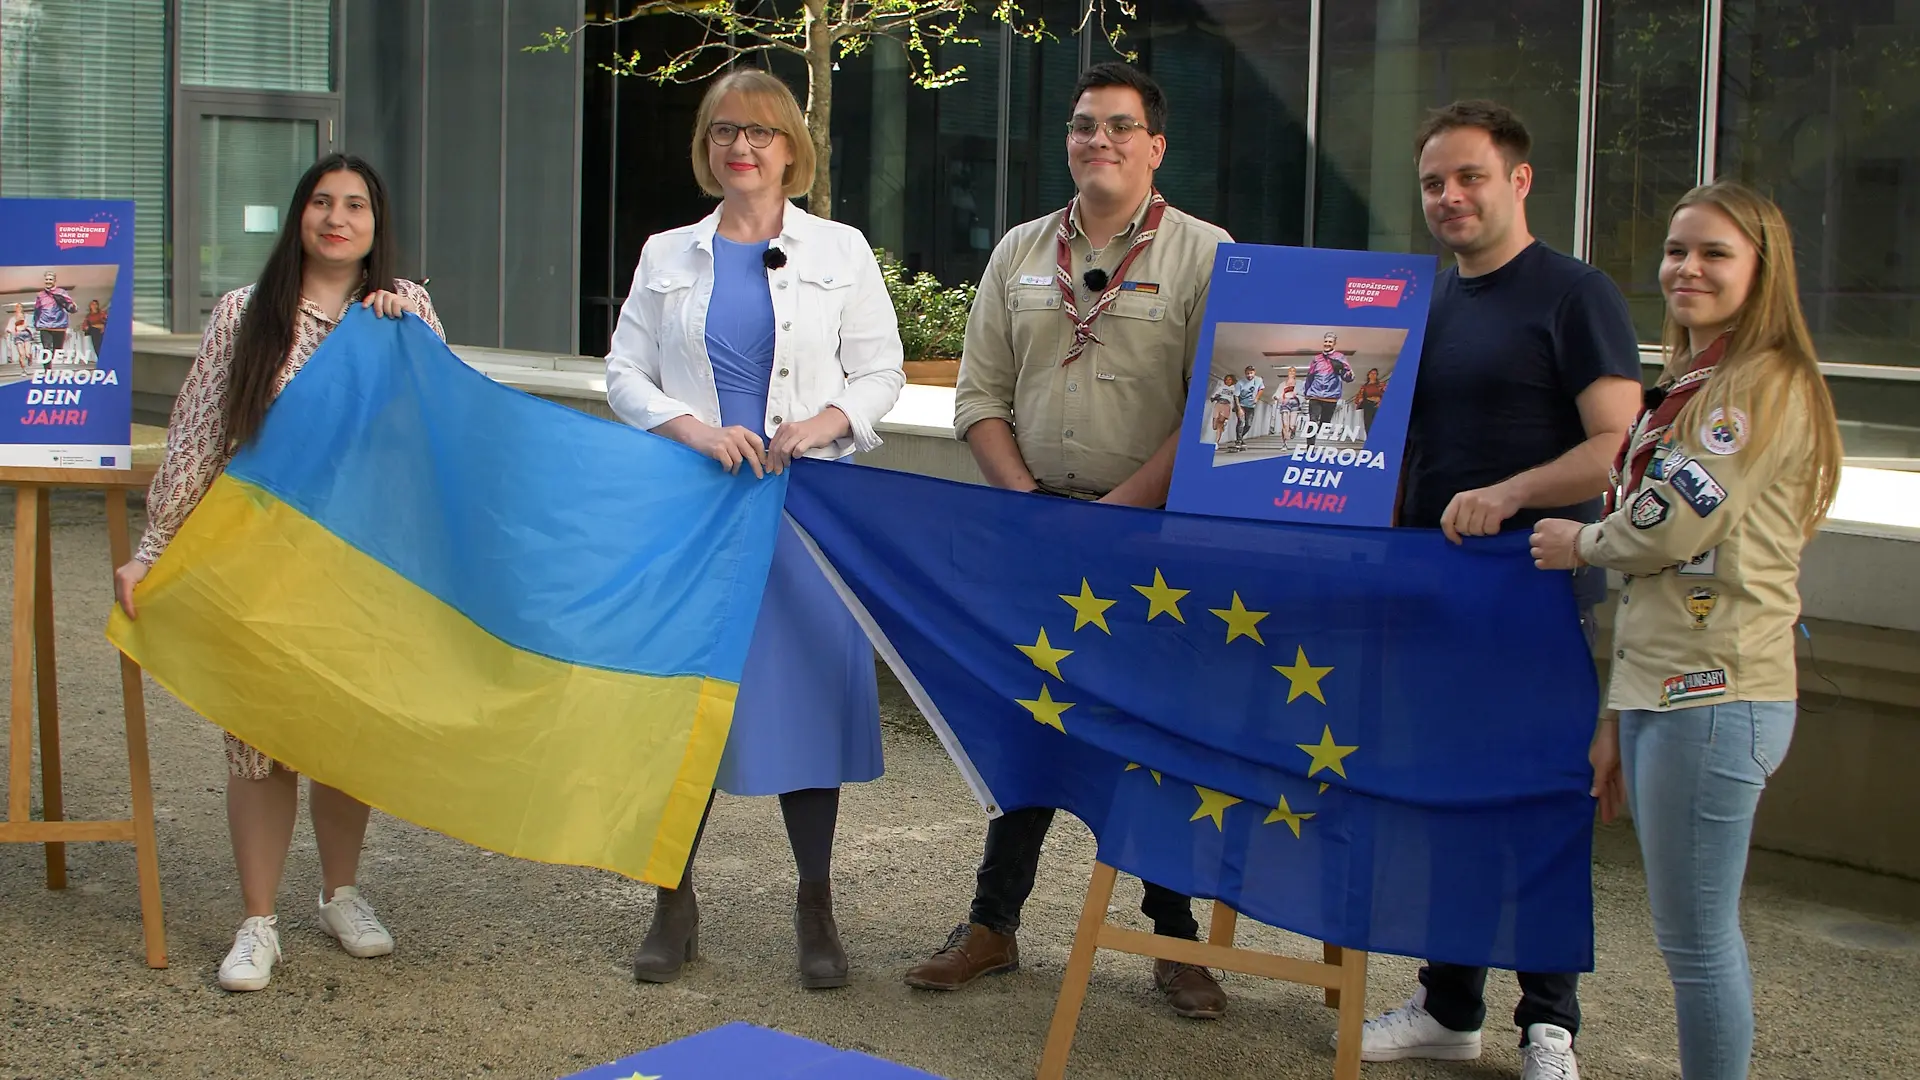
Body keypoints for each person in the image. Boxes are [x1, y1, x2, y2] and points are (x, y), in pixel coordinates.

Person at [908, 61, 1233, 1020]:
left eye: (1120, 127)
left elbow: (1223, 407)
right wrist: (1028, 507)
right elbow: (979, 396)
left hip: (1151, 546)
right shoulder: (1017, 251)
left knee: (1150, 736)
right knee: (1028, 727)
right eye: (1085, 125)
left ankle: (1174, 943)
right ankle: (992, 925)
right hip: (1037, 532)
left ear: (1156, 145)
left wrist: (1122, 510)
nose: (1100, 140)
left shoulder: (1209, 255)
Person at [1347, 100, 1642, 1080]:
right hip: (1434, 595)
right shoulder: (1425, 305)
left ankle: (1550, 1024)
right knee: (1444, 805)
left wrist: (1510, 493)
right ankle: (1449, 1005)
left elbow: (1616, 451)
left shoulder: (1575, 294)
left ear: (1519, 181)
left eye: (1469, 177)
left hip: (1537, 592)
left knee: (1535, 807)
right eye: (1433, 183)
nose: (1449, 197)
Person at [1528, 181, 1840, 1080]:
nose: (1686, 269)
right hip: (1676, 686)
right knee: (1688, 939)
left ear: (1761, 270)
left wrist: (1578, 538)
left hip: (1718, 695)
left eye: (1714, 254)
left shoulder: (1754, 387)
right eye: (1675, 250)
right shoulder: (1702, 379)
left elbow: (1670, 527)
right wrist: (1620, 714)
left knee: (1699, 943)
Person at [603, 68, 905, 991]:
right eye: (726, 131)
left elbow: (882, 373)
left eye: (762, 133)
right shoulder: (666, 253)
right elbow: (621, 372)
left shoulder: (842, 249)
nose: (743, 146)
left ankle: (815, 905)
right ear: (708, 147)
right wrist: (688, 426)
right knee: (682, 701)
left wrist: (825, 423)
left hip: (804, 511)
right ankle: (673, 898)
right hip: (692, 510)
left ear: (791, 150)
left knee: (805, 700)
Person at [112, 153, 440, 993]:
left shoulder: (403, 313)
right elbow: (196, 436)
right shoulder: (244, 315)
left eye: (356, 204)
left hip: (362, 563)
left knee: (343, 738)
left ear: (377, 223)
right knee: (258, 744)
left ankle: (341, 894)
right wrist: (153, 546)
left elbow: (440, 419)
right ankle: (257, 920)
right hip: (261, 563)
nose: (337, 217)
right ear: (300, 215)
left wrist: (410, 328)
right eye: (322, 202)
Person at [1303, 332, 1352, 444]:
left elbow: (1348, 376)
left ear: (1334, 343)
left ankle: (1315, 435)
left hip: (1331, 396)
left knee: (1325, 423)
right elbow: (1310, 376)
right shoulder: (1317, 358)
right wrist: (1306, 391)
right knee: (1312, 422)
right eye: (1326, 341)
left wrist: (1344, 373)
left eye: (1330, 342)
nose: (1327, 343)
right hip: (1315, 394)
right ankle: (1309, 448)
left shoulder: (1340, 357)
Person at [33, 272, 76, 360]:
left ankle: (53, 364)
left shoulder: (61, 292)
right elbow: (37, 310)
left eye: (50, 279)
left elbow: (69, 304)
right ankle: (47, 372)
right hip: (45, 325)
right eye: (47, 279)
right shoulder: (40, 295)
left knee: (57, 350)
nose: (48, 281)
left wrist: (73, 307)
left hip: (59, 325)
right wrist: (36, 323)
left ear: (55, 281)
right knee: (46, 349)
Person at [1233, 364, 1264, 449]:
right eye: (1247, 373)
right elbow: (1236, 396)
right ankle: (1238, 441)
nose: (1249, 375)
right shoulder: (1240, 383)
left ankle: (1240, 437)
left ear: (1254, 372)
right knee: (1241, 422)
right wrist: (1239, 409)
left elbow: (1261, 389)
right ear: (1245, 373)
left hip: (1251, 406)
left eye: (1251, 373)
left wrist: (1257, 398)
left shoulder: (1259, 380)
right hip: (1241, 404)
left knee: (1248, 424)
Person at [1355, 367, 1386, 439]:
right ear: (1368, 375)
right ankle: (1370, 439)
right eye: (1371, 373)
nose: (1373, 375)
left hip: (1378, 405)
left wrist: (1380, 400)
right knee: (1368, 423)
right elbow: (1358, 398)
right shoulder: (1364, 387)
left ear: (1377, 375)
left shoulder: (1381, 385)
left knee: (1378, 423)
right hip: (1368, 405)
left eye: (1375, 374)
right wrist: (1360, 399)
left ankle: (1378, 439)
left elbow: (1388, 394)